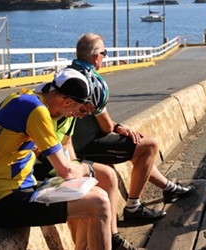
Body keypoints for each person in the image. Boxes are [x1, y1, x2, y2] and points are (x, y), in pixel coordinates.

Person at [0, 68, 112, 250]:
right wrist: (87, 168)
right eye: (75, 110)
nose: (74, 115)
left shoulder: (24, 98)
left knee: (97, 195)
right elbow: (66, 171)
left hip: (16, 189)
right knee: (98, 204)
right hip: (0, 201)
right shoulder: (36, 110)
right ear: (67, 101)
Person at [69, 32, 196, 223]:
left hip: (72, 146)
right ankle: (133, 207)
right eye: (104, 53)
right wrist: (118, 127)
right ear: (96, 57)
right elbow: (106, 127)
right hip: (86, 147)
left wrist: (118, 128)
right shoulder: (93, 82)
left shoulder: (70, 73)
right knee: (149, 145)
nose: (105, 57)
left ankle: (169, 188)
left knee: (136, 144)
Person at [34, 84, 137, 250]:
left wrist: (75, 166)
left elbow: (67, 143)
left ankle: (112, 236)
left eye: (87, 113)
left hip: (61, 162)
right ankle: (82, 246)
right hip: (42, 167)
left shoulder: (72, 114)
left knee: (107, 175)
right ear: (72, 102)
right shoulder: (48, 111)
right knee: (87, 198)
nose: (81, 116)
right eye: (83, 110)